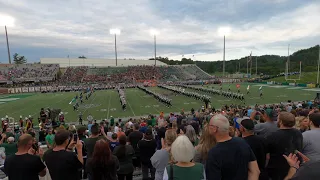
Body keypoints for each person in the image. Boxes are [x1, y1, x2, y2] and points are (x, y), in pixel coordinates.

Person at [206, 114, 260, 180]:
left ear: (214, 129)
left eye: (210, 125)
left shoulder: (213, 153)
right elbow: (255, 171)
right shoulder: (242, 142)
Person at [266, 112, 303, 180]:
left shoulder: (272, 136)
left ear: (281, 122)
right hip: (296, 166)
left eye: (278, 119)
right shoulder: (298, 132)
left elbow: (267, 156)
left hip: (278, 170)